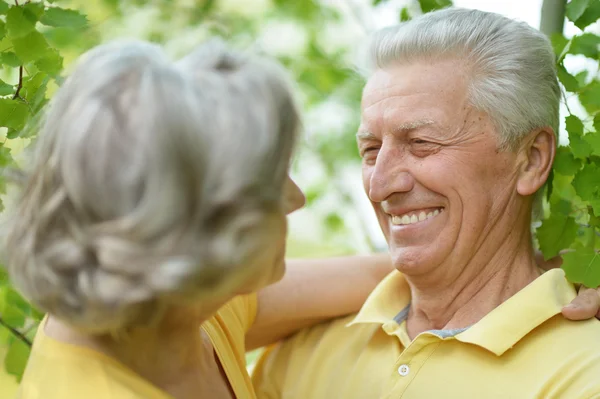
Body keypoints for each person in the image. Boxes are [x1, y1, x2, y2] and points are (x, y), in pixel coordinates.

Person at [2, 39, 393, 399]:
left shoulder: (183, 308)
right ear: (197, 221)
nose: (295, 199)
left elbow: (386, 275)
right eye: (270, 179)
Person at [252, 8, 600, 399]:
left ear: (531, 159)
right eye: (370, 150)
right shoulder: (306, 351)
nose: (380, 185)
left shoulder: (585, 375)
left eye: (421, 143)